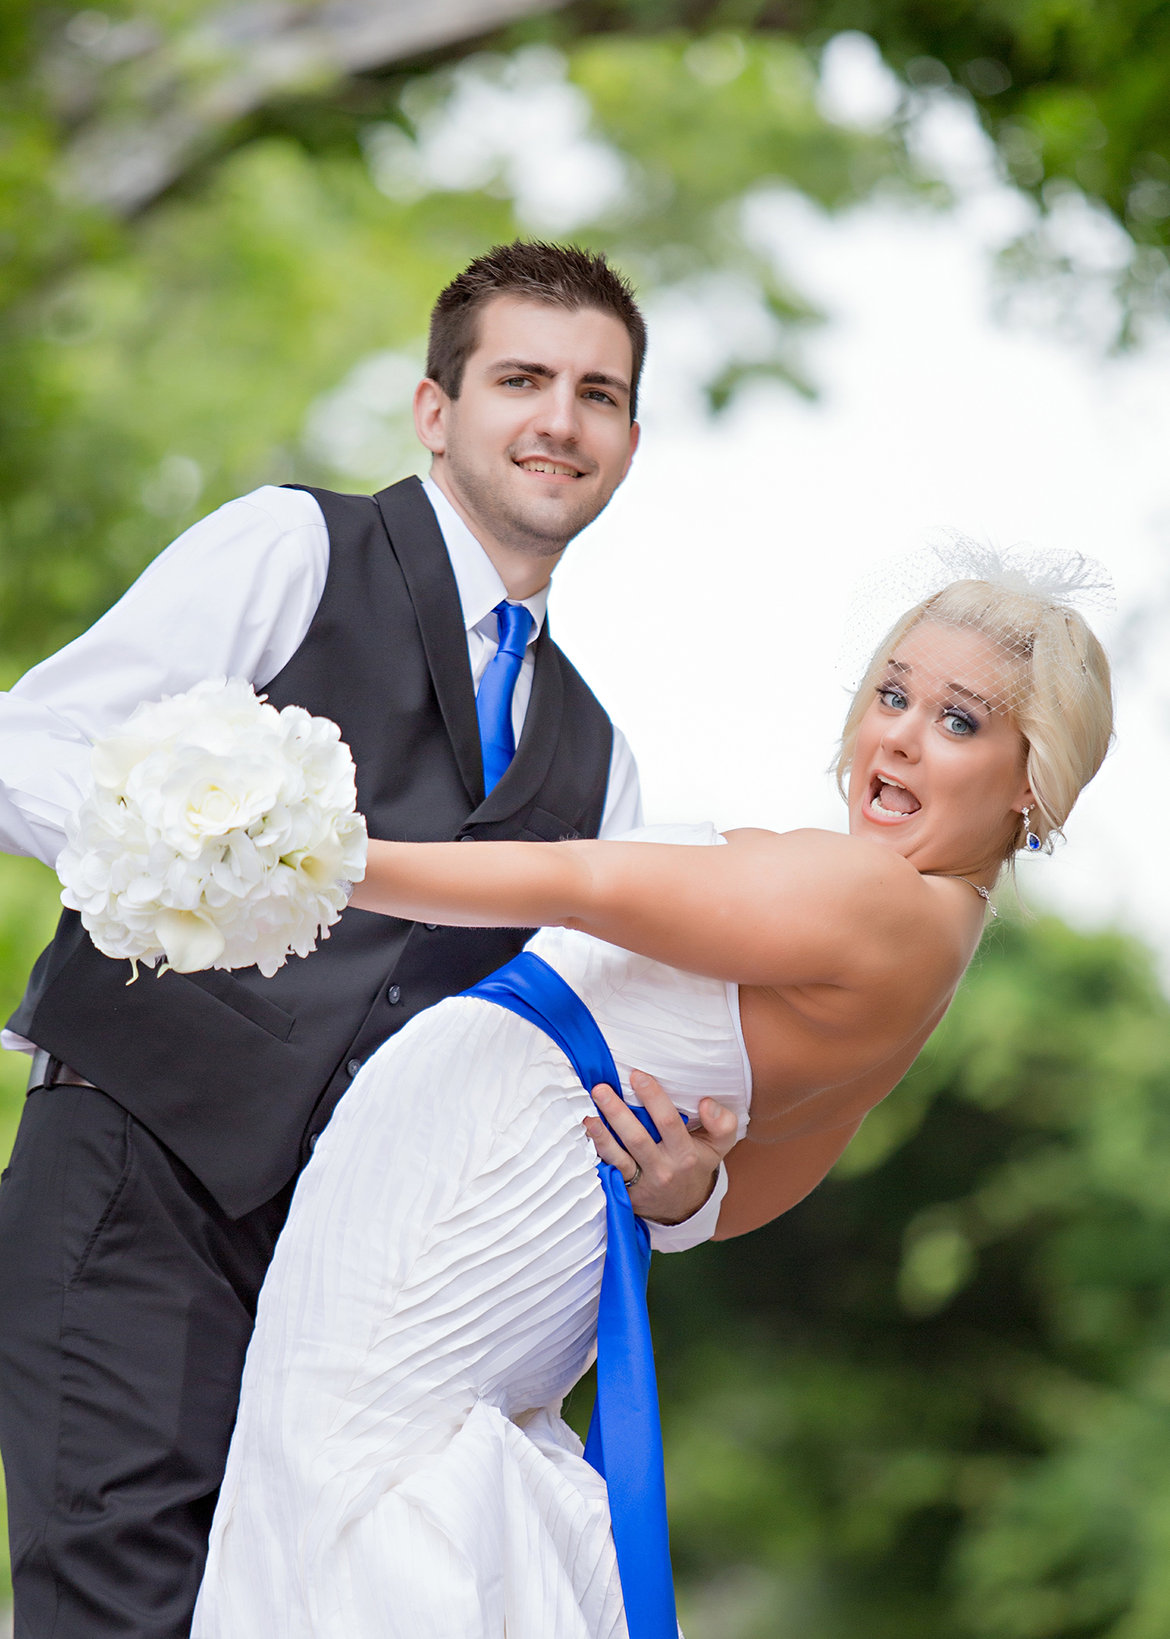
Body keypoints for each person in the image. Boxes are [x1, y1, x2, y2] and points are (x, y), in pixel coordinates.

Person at [0, 241, 728, 1639]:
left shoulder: (602, 766)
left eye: (596, 393)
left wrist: (680, 1188)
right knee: (116, 1616)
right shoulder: (294, 545)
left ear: (630, 440)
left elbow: (577, 1058)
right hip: (136, 1180)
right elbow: (35, 742)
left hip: (358, 1292)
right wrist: (189, 857)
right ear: (433, 409)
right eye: (519, 378)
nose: (557, 420)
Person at [191, 571, 1113, 1637]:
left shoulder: (875, 896)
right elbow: (749, 1191)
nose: (900, 736)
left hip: (454, 1208)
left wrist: (302, 863)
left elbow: (576, 880)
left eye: (959, 720)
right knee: (347, 1491)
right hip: (491, 1217)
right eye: (892, 694)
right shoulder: (930, 954)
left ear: (1030, 785)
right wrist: (687, 1190)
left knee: (336, 1498)